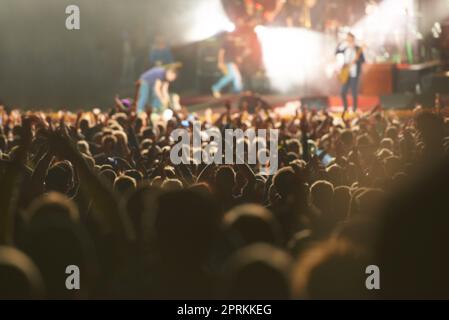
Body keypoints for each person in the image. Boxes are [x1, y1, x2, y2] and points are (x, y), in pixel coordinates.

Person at [336, 32, 365, 113]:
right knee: (343, 91)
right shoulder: (344, 47)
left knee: (354, 92)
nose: (349, 40)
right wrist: (342, 42)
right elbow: (336, 51)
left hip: (354, 73)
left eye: (350, 38)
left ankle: (354, 108)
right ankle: (345, 108)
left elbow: (363, 60)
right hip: (345, 72)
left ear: (353, 39)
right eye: (347, 38)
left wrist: (356, 60)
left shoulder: (357, 48)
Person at [211, 33, 244, 99]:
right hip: (228, 62)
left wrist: (238, 59)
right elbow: (221, 52)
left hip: (232, 63)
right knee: (235, 76)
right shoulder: (226, 43)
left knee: (232, 77)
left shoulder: (233, 44)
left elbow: (234, 54)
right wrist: (220, 62)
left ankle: (236, 90)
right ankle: (217, 88)